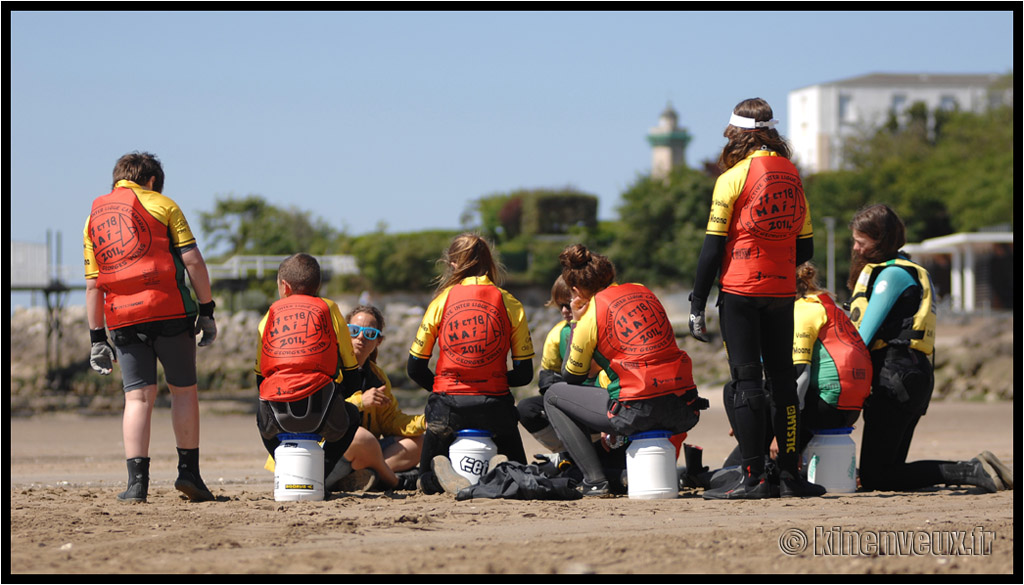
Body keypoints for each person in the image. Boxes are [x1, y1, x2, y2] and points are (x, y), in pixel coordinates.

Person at [688, 98, 823, 499]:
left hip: (742, 291)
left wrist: (697, 303)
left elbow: (711, 249)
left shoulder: (732, 178)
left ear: (735, 133)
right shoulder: (793, 174)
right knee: (783, 382)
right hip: (782, 292)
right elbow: (807, 247)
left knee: (746, 382)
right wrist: (777, 264)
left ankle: (754, 477)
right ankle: (790, 475)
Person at [847, 204, 1012, 493]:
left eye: (862, 242)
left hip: (896, 375)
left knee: (877, 477)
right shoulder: (904, 269)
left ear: (881, 240)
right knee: (885, 471)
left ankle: (972, 470)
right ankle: (978, 469)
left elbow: (864, 336)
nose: (856, 249)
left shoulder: (892, 275)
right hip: (913, 374)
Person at [84, 151, 218, 503]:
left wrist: (97, 338)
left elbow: (93, 285)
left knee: (138, 398)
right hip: (170, 311)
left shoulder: (93, 218)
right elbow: (192, 260)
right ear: (153, 180)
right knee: (183, 391)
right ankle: (189, 474)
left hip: (123, 318)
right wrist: (207, 310)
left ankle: (136, 485)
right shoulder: (163, 205)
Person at [543, 244, 707, 496]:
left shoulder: (589, 316)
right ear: (611, 275)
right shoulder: (643, 290)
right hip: (684, 406)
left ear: (575, 290)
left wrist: (576, 322)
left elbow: (571, 376)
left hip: (636, 411)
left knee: (553, 395)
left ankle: (594, 481)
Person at [256, 253, 396, 493]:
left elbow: (260, 376)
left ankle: (284, 465)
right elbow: (350, 369)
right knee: (350, 416)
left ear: (284, 286)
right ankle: (321, 470)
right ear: (318, 286)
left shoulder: (270, 314)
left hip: (277, 414)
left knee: (261, 417)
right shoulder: (328, 308)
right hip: (320, 411)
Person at [407, 233, 535, 495]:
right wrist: (491, 377)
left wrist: (447, 384)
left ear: (452, 263)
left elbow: (414, 368)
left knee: (425, 481)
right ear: (489, 262)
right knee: (522, 473)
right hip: (495, 406)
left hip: (448, 405)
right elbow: (524, 375)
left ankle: (437, 478)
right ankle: (502, 467)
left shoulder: (441, 302)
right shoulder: (510, 303)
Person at [344, 304, 425, 489]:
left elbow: (391, 421)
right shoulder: (331, 367)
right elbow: (324, 412)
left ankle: (364, 478)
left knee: (420, 441)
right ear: (344, 334)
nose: (361, 337)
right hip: (334, 450)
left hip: (367, 453)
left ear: (378, 341)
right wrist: (360, 402)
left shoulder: (377, 377)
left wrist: (423, 422)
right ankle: (394, 481)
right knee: (360, 437)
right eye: (354, 330)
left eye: (370, 333)